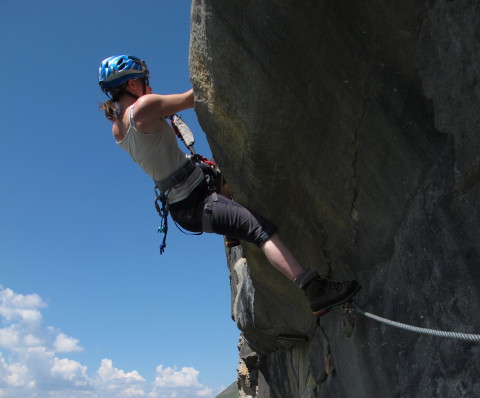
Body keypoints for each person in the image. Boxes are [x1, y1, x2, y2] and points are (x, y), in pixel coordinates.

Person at [98, 55, 360, 316]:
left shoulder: (117, 128)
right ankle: (313, 289)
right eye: (145, 81)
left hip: (186, 199)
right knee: (261, 229)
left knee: (224, 172)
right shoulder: (145, 106)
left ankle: (232, 233)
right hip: (198, 202)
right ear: (133, 84)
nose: (150, 87)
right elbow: (193, 98)